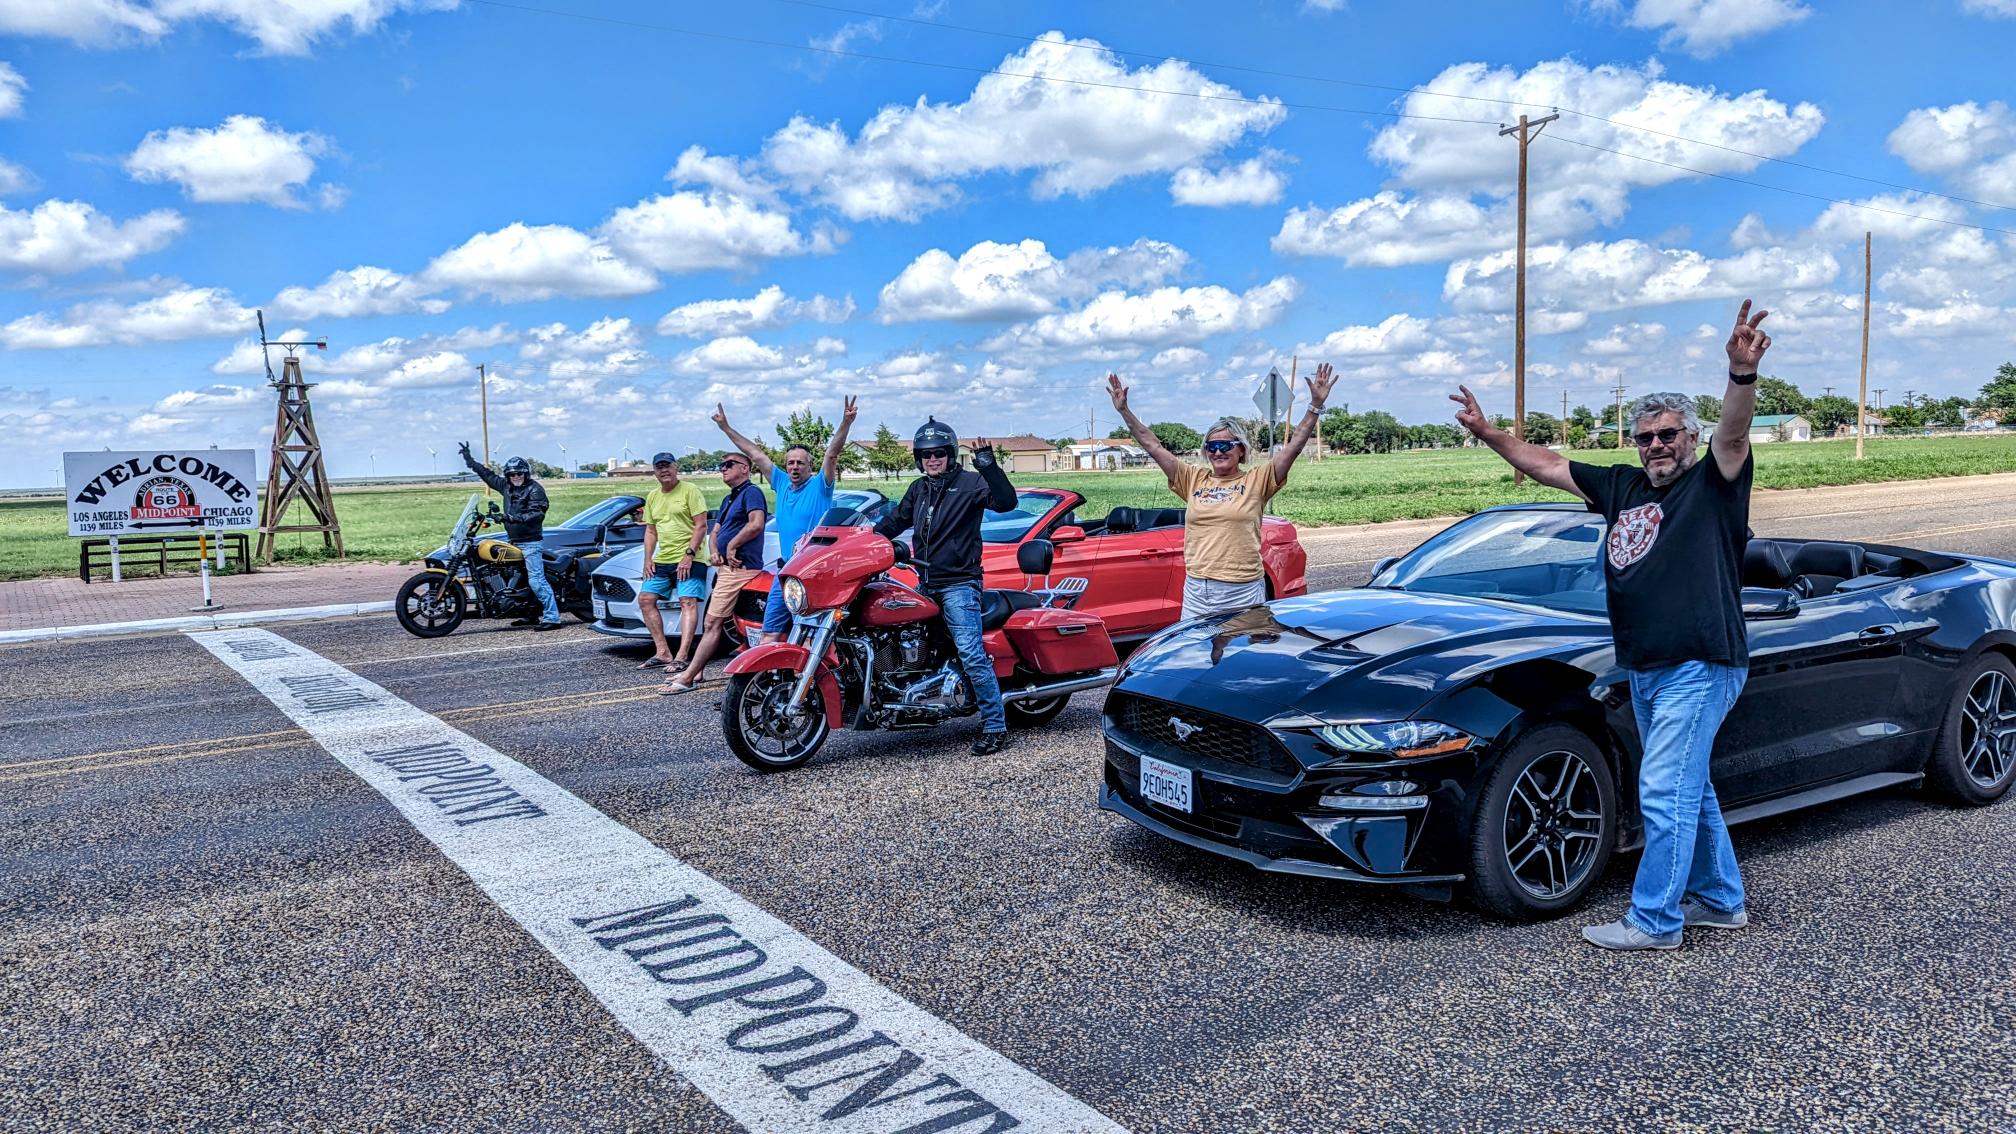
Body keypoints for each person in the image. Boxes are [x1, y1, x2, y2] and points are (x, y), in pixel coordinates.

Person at [1450, 298, 1772, 951]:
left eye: (1669, 435)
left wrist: (1740, 375)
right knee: (1689, 786)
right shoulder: (1623, 487)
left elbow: (1734, 434)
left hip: (1701, 661)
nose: (1657, 445)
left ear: (1690, 437)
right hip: (1646, 667)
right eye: (1646, 436)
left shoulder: (1714, 483)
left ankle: (1655, 921)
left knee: (1663, 790)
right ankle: (1722, 899)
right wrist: (1488, 435)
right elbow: (1545, 463)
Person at [1106, 363, 1337, 619]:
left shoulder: (1258, 480)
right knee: (1196, 655)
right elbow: (1153, 445)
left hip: (1241, 590)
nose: (1217, 452)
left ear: (1241, 449)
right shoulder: (1192, 478)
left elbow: (1293, 446)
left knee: (1239, 657)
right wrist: (1124, 411)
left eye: (1225, 444)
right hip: (1197, 590)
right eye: (1211, 446)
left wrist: (1314, 406)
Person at [871, 418, 1018, 755]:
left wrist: (989, 466)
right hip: (925, 582)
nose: (932, 459)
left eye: (938, 453)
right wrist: (866, 543)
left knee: (970, 652)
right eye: (925, 454)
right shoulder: (919, 489)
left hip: (960, 584)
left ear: (950, 454)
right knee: (908, 640)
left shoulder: (971, 483)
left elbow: (1006, 502)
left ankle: (995, 725)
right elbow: (893, 522)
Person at [712, 396, 859, 644]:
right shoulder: (781, 484)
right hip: (787, 571)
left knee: (814, 637)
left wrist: (845, 423)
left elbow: (832, 454)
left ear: (810, 467)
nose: (794, 467)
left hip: (815, 573)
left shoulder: (820, 486)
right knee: (769, 634)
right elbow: (755, 454)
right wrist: (726, 428)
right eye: (790, 462)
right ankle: (767, 680)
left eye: (801, 463)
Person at [662, 450, 767, 695]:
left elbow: (756, 523)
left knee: (712, 621)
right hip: (725, 567)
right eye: (721, 465)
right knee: (723, 622)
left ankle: (688, 677)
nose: (723, 468)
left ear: (745, 468)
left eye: (729, 464)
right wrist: (714, 549)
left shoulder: (752, 492)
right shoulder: (730, 498)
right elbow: (716, 530)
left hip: (740, 568)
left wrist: (732, 546)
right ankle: (697, 670)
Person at [458, 443, 560, 630]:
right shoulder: (506, 486)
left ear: (525, 474)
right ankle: (530, 614)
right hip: (513, 541)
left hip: (530, 542)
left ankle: (552, 617)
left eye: (519, 473)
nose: (516, 477)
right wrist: (469, 460)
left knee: (536, 580)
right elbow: (487, 475)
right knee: (517, 579)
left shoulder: (535, 489)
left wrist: (509, 517)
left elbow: (536, 514)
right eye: (512, 474)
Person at [634, 452, 711, 671]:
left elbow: (701, 525)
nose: (664, 471)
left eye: (668, 466)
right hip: (664, 558)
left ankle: (682, 655)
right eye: (659, 467)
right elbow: (650, 530)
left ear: (676, 468)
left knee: (687, 601)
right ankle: (663, 652)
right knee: (646, 599)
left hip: (690, 557)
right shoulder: (653, 496)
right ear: (654, 472)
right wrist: (647, 559)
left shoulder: (690, 490)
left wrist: (688, 555)